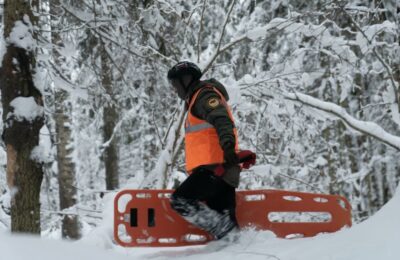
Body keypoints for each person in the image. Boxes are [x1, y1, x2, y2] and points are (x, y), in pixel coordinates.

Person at [167, 61, 241, 240]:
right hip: (223, 171)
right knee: (228, 233)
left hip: (215, 169)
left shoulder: (204, 95)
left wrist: (228, 145)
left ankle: (227, 232)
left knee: (181, 201)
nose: (176, 90)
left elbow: (221, 119)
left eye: (176, 84)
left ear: (187, 80)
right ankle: (236, 245)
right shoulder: (196, 99)